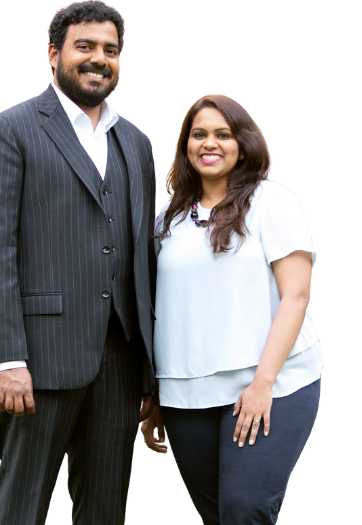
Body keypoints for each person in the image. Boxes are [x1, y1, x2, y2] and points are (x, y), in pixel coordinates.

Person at [0, 2, 157, 524]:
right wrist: (7, 358)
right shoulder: (9, 129)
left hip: (119, 360)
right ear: (53, 54)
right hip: (37, 358)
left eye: (111, 50)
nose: (99, 59)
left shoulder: (136, 141)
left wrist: (149, 374)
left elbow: (142, 258)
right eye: (85, 46)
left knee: (105, 510)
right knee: (23, 508)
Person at [140, 94, 326, 524]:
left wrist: (263, 384)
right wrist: (154, 396)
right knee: (217, 516)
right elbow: (159, 309)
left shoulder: (273, 200)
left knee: (245, 510)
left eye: (223, 134)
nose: (210, 143)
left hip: (271, 386)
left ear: (243, 144)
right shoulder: (168, 217)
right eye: (199, 134)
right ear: (186, 146)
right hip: (185, 397)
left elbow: (297, 295)